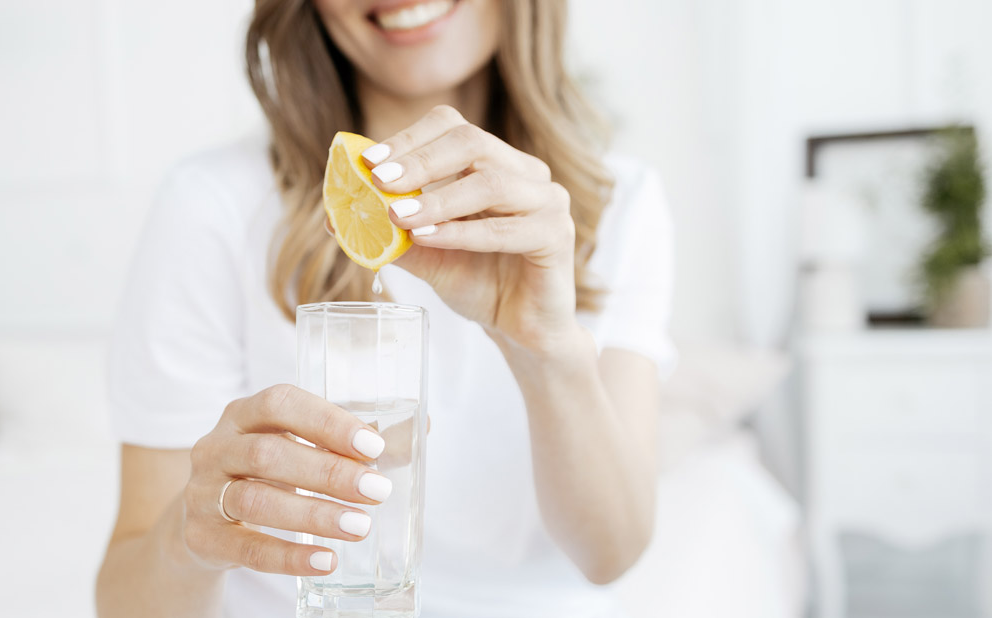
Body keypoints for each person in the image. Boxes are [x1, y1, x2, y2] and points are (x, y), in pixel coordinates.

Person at [96, 0, 675, 616]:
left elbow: (610, 554)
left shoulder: (617, 205)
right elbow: (126, 601)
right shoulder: (211, 205)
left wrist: (546, 350)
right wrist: (194, 536)